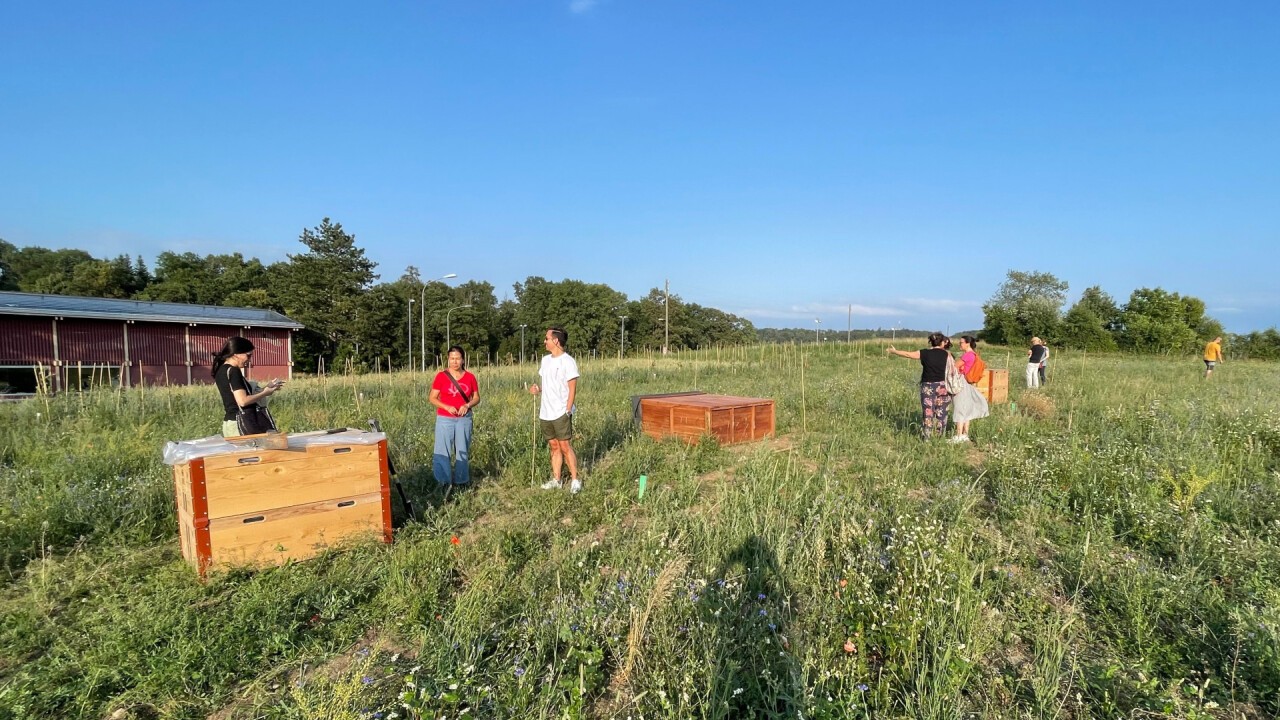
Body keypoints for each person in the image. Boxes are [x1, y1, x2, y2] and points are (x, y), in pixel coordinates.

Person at [530, 327, 582, 494]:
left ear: (556, 341)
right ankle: (557, 479)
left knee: (565, 446)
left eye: (547, 338)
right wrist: (537, 389)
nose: (544, 341)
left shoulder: (568, 361)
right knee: (553, 446)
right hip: (545, 411)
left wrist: (568, 409)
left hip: (561, 411)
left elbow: (572, 389)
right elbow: (547, 385)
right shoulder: (545, 360)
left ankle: (575, 480)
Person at [429, 345, 480, 489]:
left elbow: (476, 397)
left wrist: (467, 405)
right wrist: (446, 406)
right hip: (445, 419)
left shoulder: (470, 377)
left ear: (463, 360)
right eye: (452, 358)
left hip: (464, 419)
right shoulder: (441, 376)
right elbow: (432, 398)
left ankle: (461, 481)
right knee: (442, 450)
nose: (455, 362)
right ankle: (443, 482)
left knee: (462, 450)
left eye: (457, 359)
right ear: (448, 359)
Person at [212, 337, 283, 437]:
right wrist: (265, 393)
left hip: (231, 423)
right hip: (242, 423)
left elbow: (234, 398)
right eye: (248, 355)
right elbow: (243, 401)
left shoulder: (221, 370)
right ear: (236, 354)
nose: (249, 360)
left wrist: (267, 387)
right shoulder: (234, 371)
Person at [886, 332, 953, 440]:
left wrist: (894, 351)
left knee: (928, 411)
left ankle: (927, 437)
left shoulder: (924, 353)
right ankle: (940, 436)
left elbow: (908, 354)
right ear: (942, 342)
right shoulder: (947, 354)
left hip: (927, 386)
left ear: (931, 342)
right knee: (942, 411)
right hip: (943, 386)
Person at [949, 335, 990, 443]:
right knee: (966, 409)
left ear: (967, 343)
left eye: (961, 342)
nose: (959, 344)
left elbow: (954, 366)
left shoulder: (967, 355)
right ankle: (965, 434)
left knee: (959, 408)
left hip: (962, 383)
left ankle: (958, 435)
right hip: (968, 383)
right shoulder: (974, 355)